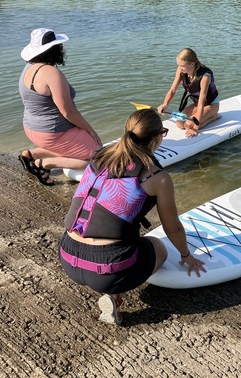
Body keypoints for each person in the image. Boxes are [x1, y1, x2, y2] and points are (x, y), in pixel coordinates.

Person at [59, 108, 206, 325]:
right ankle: (114, 291)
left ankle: (112, 291)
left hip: (67, 255)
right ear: (158, 137)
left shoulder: (100, 155)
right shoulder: (157, 177)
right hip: (106, 270)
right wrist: (186, 256)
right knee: (158, 247)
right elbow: (172, 228)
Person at [18, 28, 102, 185]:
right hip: (52, 133)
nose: (62, 49)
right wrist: (90, 130)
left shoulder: (28, 68)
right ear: (54, 49)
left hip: (32, 129)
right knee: (99, 158)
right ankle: (44, 164)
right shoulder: (51, 73)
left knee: (77, 148)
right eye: (60, 46)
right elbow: (68, 112)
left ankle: (31, 154)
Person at [157, 48, 220, 138]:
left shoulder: (205, 76)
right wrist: (164, 104)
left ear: (192, 64)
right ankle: (206, 118)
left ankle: (213, 117)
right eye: (178, 65)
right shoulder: (181, 71)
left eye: (182, 65)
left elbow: (202, 101)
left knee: (188, 125)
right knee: (179, 124)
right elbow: (172, 90)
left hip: (211, 105)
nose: (179, 67)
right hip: (196, 104)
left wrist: (196, 127)